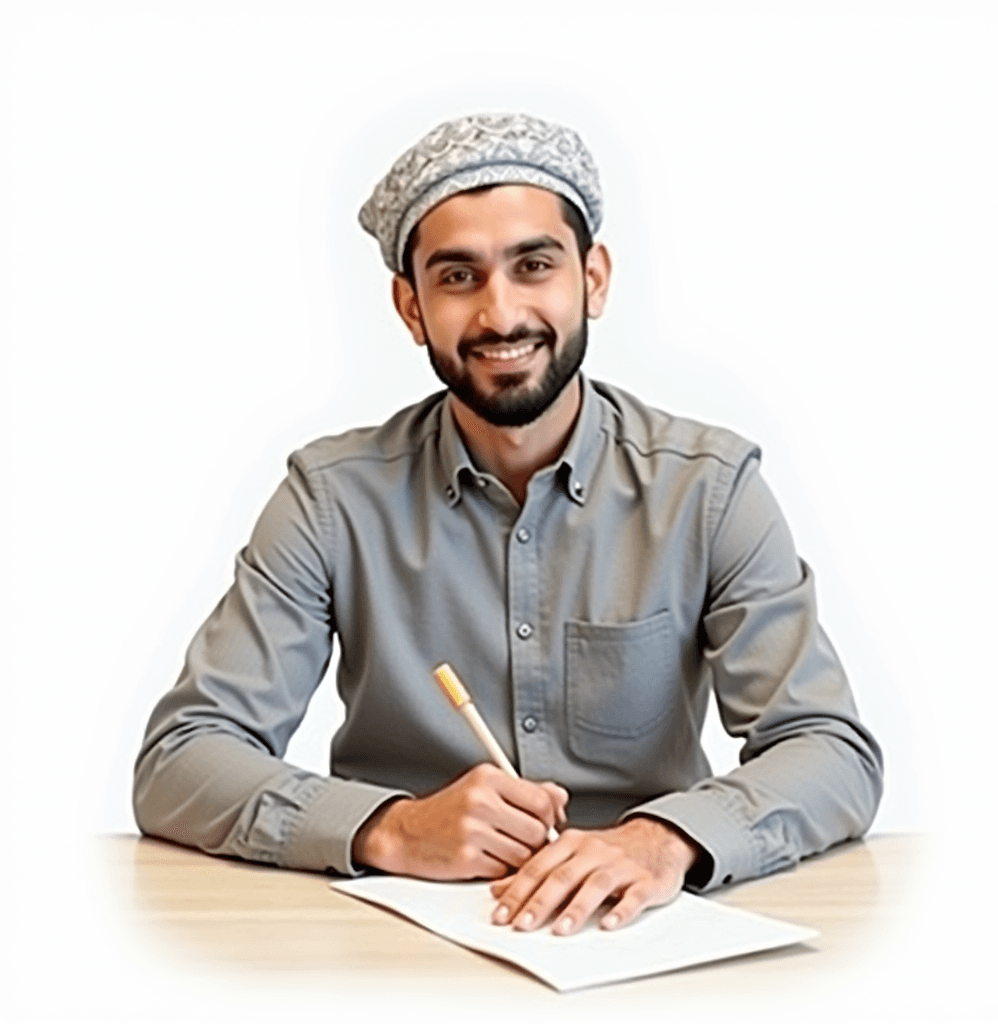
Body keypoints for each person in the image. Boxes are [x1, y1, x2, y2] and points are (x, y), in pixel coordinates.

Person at [134, 113, 883, 938]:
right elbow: (181, 758)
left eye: (534, 266)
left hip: (638, 936)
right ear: (411, 307)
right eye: (458, 277)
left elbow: (830, 749)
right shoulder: (329, 498)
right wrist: (388, 827)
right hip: (396, 937)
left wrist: (663, 841)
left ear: (592, 279)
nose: (500, 314)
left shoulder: (710, 489)